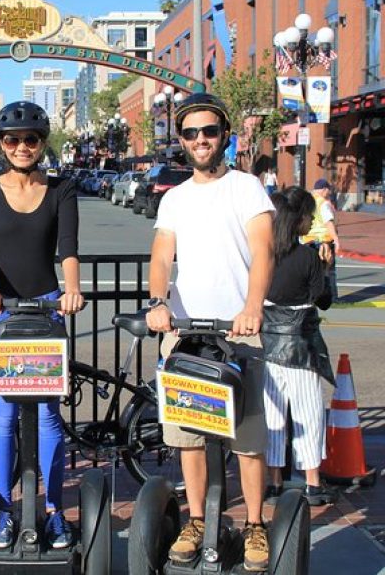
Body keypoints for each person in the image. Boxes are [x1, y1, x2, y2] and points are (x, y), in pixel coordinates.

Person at [145, 93, 275, 572]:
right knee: (188, 437)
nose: (200, 140)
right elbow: (162, 256)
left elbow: (263, 251)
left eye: (209, 132)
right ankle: (197, 520)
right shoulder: (175, 198)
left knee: (247, 437)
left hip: (238, 331)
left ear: (223, 136)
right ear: (181, 141)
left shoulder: (246, 188)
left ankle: (256, 524)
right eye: (191, 133)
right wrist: (159, 304)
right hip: (186, 331)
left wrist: (252, 307)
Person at [0, 100, 84, 550]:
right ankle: (3, 511)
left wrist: (71, 289)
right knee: (3, 416)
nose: (21, 146)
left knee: (49, 416)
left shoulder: (62, 189)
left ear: (42, 143)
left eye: (30, 139)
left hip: (46, 310)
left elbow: (68, 247)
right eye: (12, 140)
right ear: (1, 144)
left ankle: (52, 510)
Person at [261, 186, 338, 507]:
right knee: (308, 411)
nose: (312, 221)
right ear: (298, 220)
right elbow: (324, 300)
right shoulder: (307, 256)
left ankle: (275, 481)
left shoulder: (265, 255)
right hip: (301, 345)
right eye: (309, 215)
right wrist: (327, 266)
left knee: (273, 415)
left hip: (268, 344)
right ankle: (312, 483)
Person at [301, 178, 340, 303]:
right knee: (329, 270)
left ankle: (311, 296)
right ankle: (331, 297)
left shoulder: (307, 202)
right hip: (324, 240)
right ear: (324, 189)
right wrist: (336, 239)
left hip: (308, 240)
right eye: (328, 190)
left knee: (311, 271)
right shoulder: (323, 203)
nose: (329, 193)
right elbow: (328, 222)